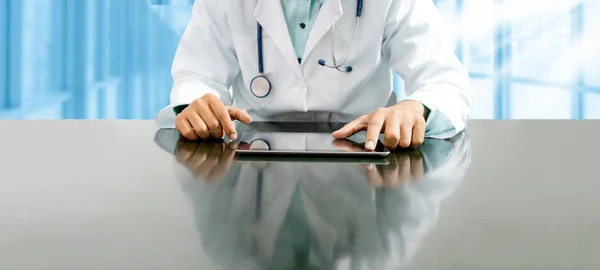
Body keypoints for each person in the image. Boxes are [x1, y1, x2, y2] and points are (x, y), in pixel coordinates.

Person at [154, 0, 472, 150]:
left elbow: (443, 79)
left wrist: (417, 108)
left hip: (366, 155)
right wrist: (194, 104)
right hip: (252, 158)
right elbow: (196, 74)